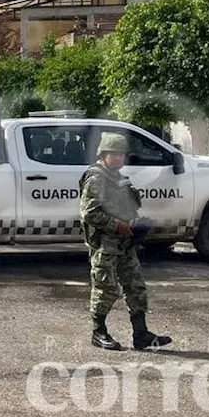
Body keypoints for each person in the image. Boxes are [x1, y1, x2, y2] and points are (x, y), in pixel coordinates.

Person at [78, 133, 172, 351]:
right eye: (114, 154)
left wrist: (135, 223)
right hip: (105, 244)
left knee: (136, 286)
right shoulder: (97, 178)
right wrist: (117, 225)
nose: (119, 158)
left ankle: (141, 334)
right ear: (103, 154)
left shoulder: (118, 176)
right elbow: (89, 213)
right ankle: (98, 332)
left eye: (121, 154)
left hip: (125, 243)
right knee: (105, 289)